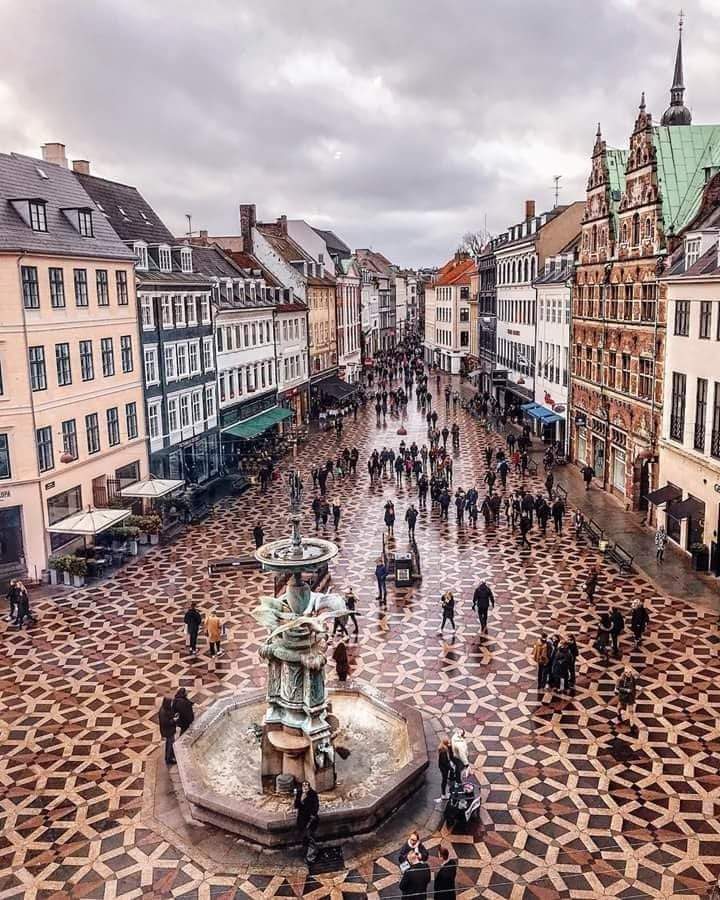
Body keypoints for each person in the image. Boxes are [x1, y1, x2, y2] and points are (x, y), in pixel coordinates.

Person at [294, 780, 320, 852]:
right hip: (302, 819)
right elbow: (296, 805)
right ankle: (306, 850)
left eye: (306, 786)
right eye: (303, 786)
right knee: (304, 836)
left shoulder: (313, 794)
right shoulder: (299, 793)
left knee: (310, 836)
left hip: (310, 818)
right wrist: (301, 800)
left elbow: (316, 805)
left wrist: (313, 815)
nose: (305, 787)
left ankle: (312, 852)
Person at [615, 667, 638, 734]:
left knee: (631, 712)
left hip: (630, 697)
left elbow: (634, 687)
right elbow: (618, 687)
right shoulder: (620, 680)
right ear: (624, 673)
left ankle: (632, 727)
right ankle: (618, 715)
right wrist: (626, 690)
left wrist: (633, 695)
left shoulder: (632, 678)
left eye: (630, 672)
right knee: (619, 707)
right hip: (623, 696)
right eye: (627, 672)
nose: (629, 674)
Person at [158, 697, 177, 765]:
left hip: (170, 730)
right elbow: (165, 723)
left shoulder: (166, 708)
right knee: (170, 744)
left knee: (170, 744)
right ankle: (169, 759)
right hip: (168, 731)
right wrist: (173, 720)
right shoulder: (163, 712)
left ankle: (170, 756)